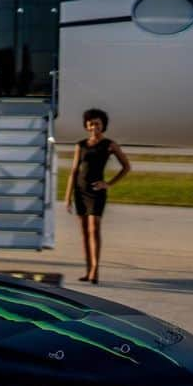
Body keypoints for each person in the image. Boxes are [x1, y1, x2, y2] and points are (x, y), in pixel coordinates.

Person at [63, 108, 131, 284]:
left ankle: (95, 270)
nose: (94, 126)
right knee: (85, 232)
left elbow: (126, 167)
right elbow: (73, 170)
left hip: (96, 192)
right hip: (80, 191)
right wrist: (67, 196)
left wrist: (108, 183)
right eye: (91, 123)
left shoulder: (109, 144)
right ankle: (87, 270)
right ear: (87, 125)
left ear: (103, 125)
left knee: (94, 230)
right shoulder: (81, 145)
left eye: (98, 124)